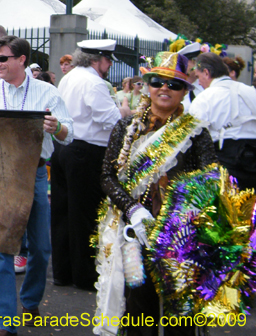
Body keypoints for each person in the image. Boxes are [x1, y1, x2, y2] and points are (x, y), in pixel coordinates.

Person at [96, 51, 215, 335]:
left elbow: (210, 181)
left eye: (174, 84)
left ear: (185, 92)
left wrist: (182, 219)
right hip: (134, 235)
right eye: (157, 81)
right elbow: (107, 176)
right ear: (147, 86)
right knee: (138, 307)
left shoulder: (196, 133)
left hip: (182, 240)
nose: (164, 88)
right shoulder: (126, 127)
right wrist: (132, 209)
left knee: (181, 312)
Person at [0, 36, 73, 336]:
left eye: (3, 58)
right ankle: (4, 318)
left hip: (34, 173)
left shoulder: (47, 93)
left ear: (22, 60)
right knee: (2, 246)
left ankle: (30, 300)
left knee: (40, 248)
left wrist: (57, 128)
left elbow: (69, 133)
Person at [52, 39, 122, 291]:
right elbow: (110, 120)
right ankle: (85, 275)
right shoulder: (93, 82)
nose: (109, 65)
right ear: (97, 59)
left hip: (65, 146)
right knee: (86, 216)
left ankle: (62, 271)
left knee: (63, 212)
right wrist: (125, 117)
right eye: (108, 60)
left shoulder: (70, 77)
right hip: (86, 151)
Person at [189, 52, 256, 191]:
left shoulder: (204, 98)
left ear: (206, 73)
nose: (199, 82)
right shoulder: (251, 91)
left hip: (226, 162)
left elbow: (193, 135)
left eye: (198, 77)